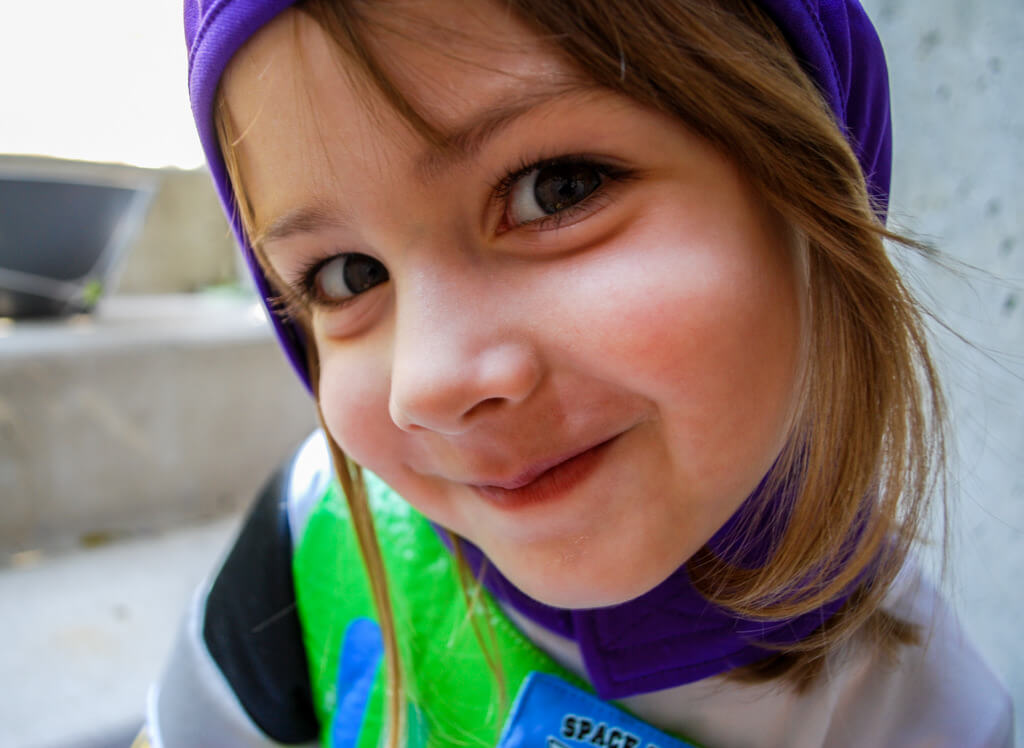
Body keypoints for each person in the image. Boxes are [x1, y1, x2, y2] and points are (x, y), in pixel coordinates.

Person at [141, 0, 1013, 745]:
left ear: (820, 185)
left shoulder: (927, 714)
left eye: (556, 188)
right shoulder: (306, 543)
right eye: (347, 277)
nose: (431, 382)